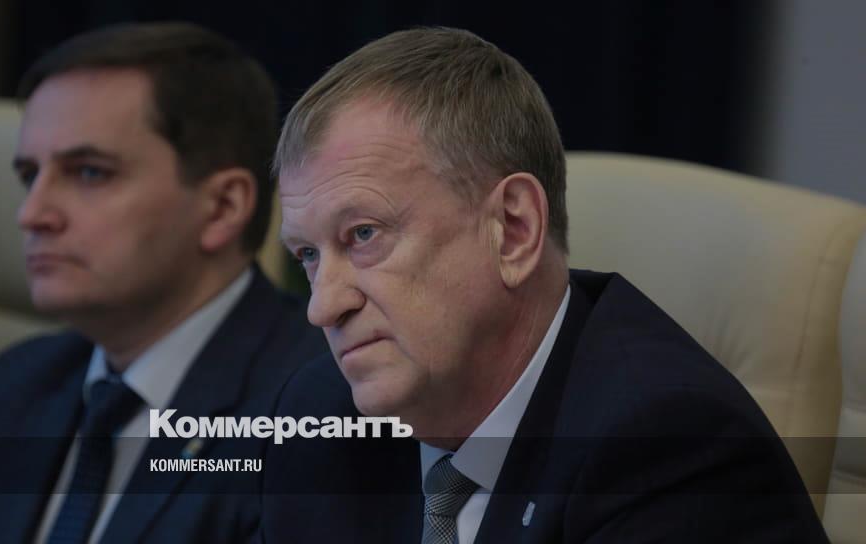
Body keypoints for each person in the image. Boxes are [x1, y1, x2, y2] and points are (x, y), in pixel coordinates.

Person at [260, 27, 828, 542]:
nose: (323, 306)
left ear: (513, 230)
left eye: (363, 234)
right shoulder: (320, 414)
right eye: (308, 254)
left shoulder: (667, 446)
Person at [0, 22, 326, 544]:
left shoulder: (320, 409)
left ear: (222, 207)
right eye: (30, 176)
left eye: (89, 173)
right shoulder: (14, 384)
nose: (32, 214)